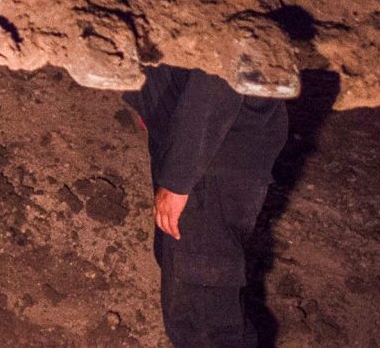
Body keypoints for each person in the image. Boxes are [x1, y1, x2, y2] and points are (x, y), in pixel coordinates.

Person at [124, 65, 290, 347]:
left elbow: (224, 64)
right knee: (189, 287)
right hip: (200, 146)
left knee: (204, 320)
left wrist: (179, 178)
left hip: (213, 155)